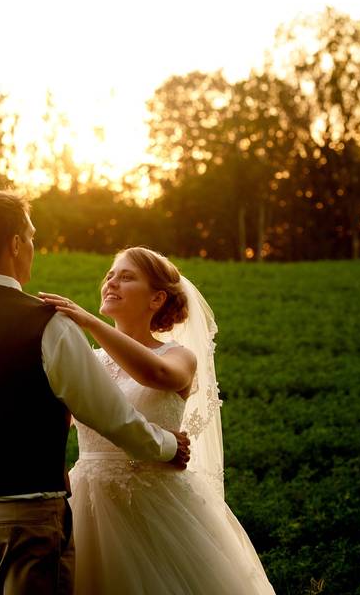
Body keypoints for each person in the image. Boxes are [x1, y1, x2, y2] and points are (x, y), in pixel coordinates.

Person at [0, 191, 190, 595]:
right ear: (15, 244)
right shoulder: (49, 326)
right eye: (30, 237)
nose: (32, 246)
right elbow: (110, 416)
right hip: (29, 516)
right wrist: (168, 447)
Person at [38, 246, 275, 594]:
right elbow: (60, 419)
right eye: (110, 275)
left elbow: (155, 373)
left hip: (155, 504)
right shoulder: (90, 360)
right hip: (86, 500)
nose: (111, 283)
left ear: (157, 299)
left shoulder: (178, 356)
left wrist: (88, 321)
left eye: (127, 277)